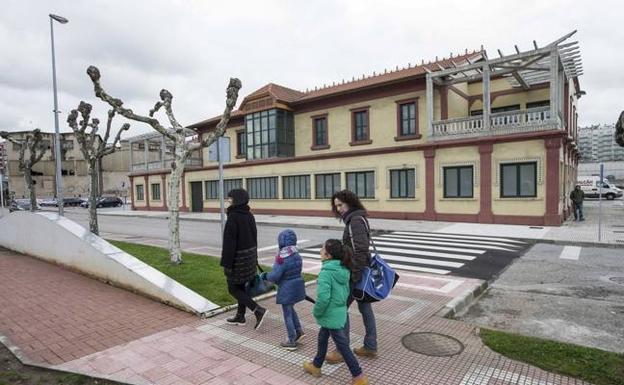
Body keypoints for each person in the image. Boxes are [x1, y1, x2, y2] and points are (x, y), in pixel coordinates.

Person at [303, 239, 369, 385]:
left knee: (343, 347)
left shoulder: (326, 273)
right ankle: (316, 366)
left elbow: (323, 298)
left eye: (322, 248)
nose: (320, 251)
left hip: (329, 314)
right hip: (338, 312)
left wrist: (316, 312)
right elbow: (345, 292)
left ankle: (359, 377)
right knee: (322, 338)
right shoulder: (343, 269)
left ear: (328, 255)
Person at [325, 190, 377, 364]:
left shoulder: (355, 220)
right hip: (360, 270)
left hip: (356, 273)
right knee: (365, 308)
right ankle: (370, 346)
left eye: (341, 204)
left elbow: (361, 250)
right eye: (336, 205)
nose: (338, 208)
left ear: (350, 203)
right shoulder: (356, 218)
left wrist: (353, 276)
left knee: (340, 308)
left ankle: (341, 349)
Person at [221, 188, 268, 329]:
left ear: (236, 200)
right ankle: (240, 317)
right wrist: (255, 259)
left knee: (233, 289)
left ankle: (257, 310)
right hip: (249, 260)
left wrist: (227, 265)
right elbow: (254, 238)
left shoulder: (233, 217)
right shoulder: (249, 215)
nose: (228, 201)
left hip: (237, 262)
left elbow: (229, 245)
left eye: (229, 198)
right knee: (241, 287)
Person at [261, 229, 306, 350]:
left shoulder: (282, 258)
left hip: (287, 289)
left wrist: (265, 276)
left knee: (287, 315)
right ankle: (299, 331)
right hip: (297, 286)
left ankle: (291, 340)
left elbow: (274, 276)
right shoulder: (296, 254)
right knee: (291, 309)